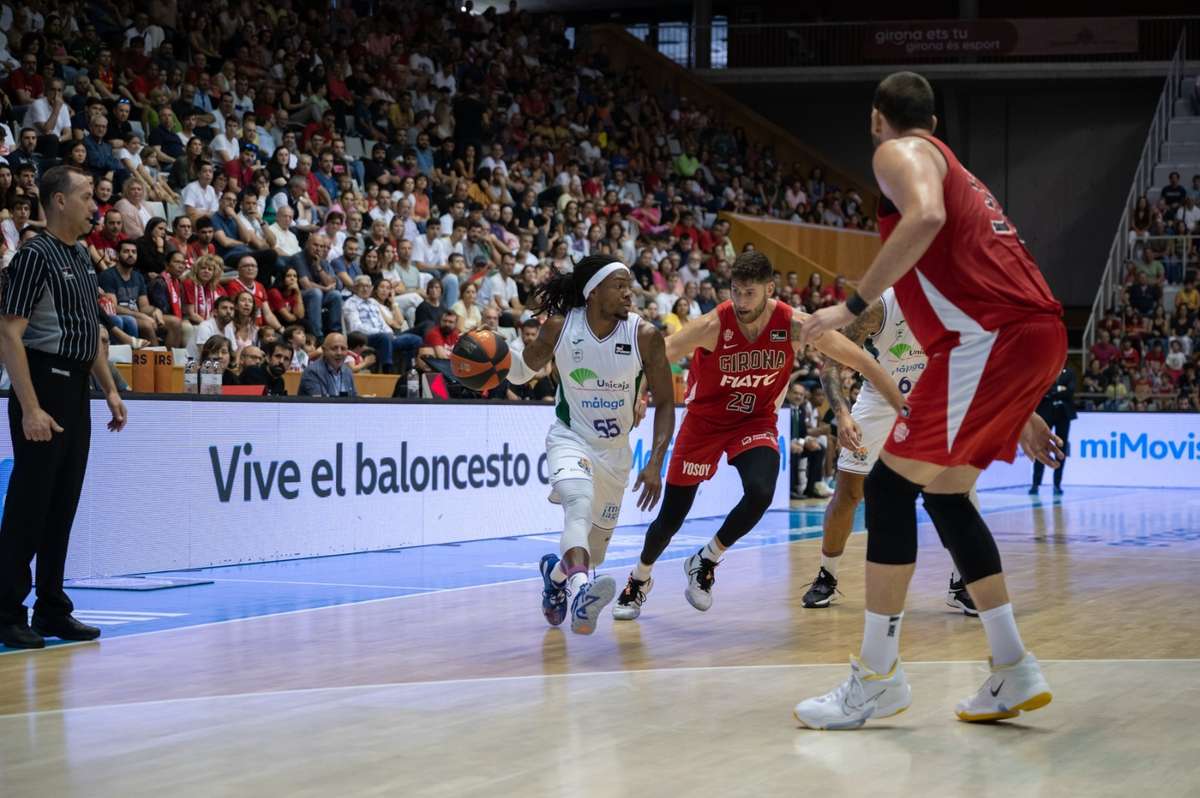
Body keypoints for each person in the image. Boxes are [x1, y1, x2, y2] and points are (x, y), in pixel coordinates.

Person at [793, 71, 1067, 730]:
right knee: (944, 495)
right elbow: (976, 273)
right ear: (937, 124)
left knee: (887, 491)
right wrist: (1020, 400)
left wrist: (848, 304)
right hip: (1026, 336)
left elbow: (927, 217)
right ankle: (1013, 667)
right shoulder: (957, 167)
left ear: (876, 119)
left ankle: (878, 677)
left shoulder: (900, 152)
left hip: (991, 342)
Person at [610, 251, 903, 621]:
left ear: (769, 289)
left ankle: (706, 559)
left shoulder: (795, 324)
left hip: (755, 421)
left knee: (762, 490)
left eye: (750, 293)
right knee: (670, 518)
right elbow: (660, 354)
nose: (741, 301)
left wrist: (900, 404)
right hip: (705, 422)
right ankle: (639, 579)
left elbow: (860, 359)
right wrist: (639, 394)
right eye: (736, 292)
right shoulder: (713, 324)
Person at [500, 255, 676, 635]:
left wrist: (656, 461)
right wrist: (495, 357)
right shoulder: (561, 327)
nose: (629, 292)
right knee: (576, 506)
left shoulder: (643, 335)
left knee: (593, 552)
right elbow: (521, 371)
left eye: (629, 284)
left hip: (615, 452)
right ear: (593, 292)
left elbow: (665, 402)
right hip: (570, 437)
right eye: (619, 285)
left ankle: (557, 575)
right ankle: (581, 593)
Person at [0, 165, 127, 649]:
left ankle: (52, 607)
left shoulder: (80, 257)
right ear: (58, 201)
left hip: (75, 389)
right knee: (29, 506)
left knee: (62, 505)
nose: (95, 205)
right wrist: (30, 408)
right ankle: (6, 611)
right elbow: (9, 333)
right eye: (87, 196)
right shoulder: (34, 256)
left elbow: (90, 331)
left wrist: (109, 388)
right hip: (43, 385)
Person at [801, 289, 977, 615]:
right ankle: (827, 574)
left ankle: (962, 582)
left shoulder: (956, 302)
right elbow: (831, 365)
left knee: (960, 491)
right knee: (849, 493)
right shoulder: (880, 308)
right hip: (880, 402)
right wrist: (842, 414)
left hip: (935, 405)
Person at [1031, 363, 1076, 496]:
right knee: (1041, 446)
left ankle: (1057, 483)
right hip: (1045, 412)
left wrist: (1053, 391)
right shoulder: (1046, 369)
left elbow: (1070, 391)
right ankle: (1036, 483)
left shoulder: (1070, 372)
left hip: (1063, 413)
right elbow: (1042, 389)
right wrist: (1059, 389)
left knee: (1061, 447)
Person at [298, 332, 357, 397]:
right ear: (324, 350)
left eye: (343, 349)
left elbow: (353, 399)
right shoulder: (312, 372)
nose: (339, 353)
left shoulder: (347, 371)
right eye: (334, 348)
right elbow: (320, 403)